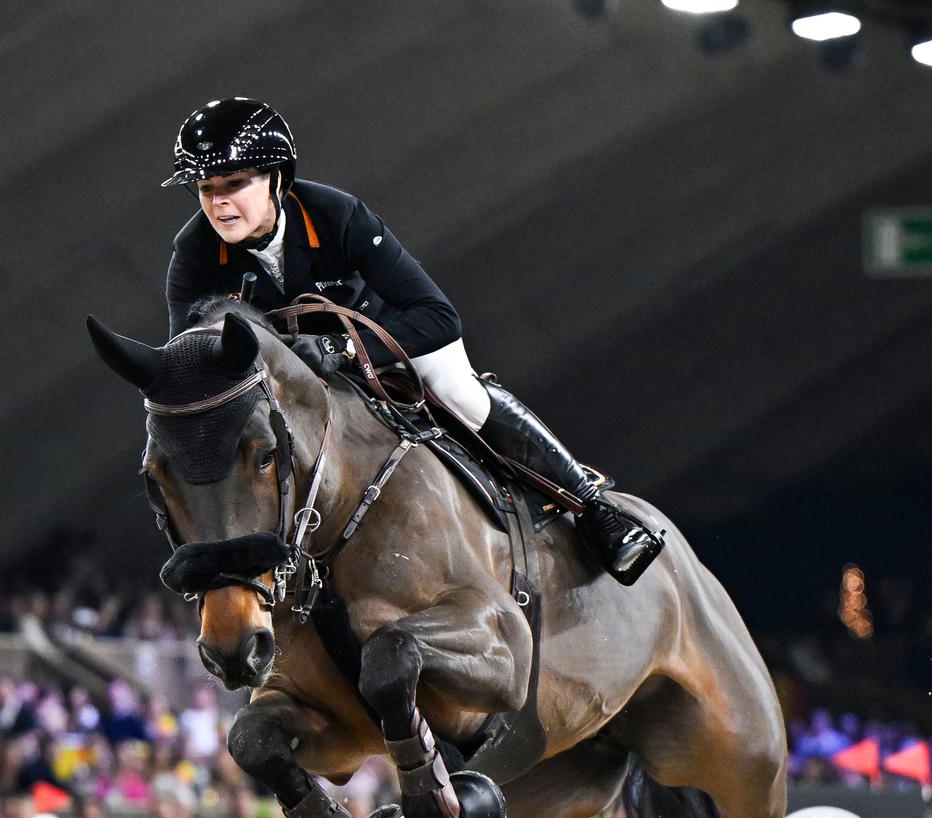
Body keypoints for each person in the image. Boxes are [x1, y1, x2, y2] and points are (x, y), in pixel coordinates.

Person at [161, 97, 664, 586]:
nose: (218, 201)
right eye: (205, 187)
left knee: (459, 391)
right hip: (284, 388)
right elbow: (193, 370)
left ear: (276, 178)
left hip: (383, 351)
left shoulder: (337, 215)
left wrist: (342, 350)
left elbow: (437, 317)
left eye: (234, 183)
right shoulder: (193, 254)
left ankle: (594, 509)